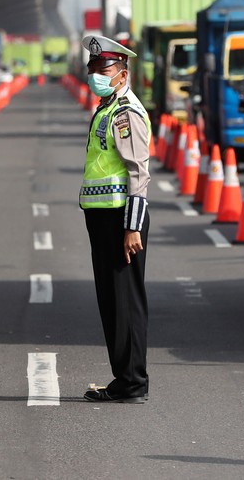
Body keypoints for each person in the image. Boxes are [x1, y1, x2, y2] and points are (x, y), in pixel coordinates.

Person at [79, 35, 152, 404]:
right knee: (112, 301)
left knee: (126, 302)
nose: (94, 74)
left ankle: (132, 381)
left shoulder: (125, 114)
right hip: (103, 217)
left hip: (121, 219)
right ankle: (124, 378)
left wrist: (133, 227)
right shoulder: (107, 108)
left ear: (122, 75)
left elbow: (138, 172)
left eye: (102, 69)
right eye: (92, 68)